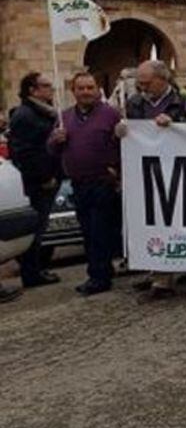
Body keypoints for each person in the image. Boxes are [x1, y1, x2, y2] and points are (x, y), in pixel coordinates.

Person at [122, 60, 186, 299]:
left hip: (182, 171)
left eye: (147, 83)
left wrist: (178, 126)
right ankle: (160, 276)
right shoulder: (134, 103)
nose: (142, 88)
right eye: (140, 83)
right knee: (156, 222)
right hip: (150, 173)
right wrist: (123, 132)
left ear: (162, 79)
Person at [47, 72, 123, 297]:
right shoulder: (65, 117)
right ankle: (101, 270)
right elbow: (51, 149)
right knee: (88, 230)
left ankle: (99, 276)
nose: (86, 92)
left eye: (90, 87)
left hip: (103, 181)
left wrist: (117, 170)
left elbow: (124, 144)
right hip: (79, 183)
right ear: (74, 91)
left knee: (99, 230)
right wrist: (56, 140)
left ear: (97, 89)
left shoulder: (111, 114)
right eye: (81, 88)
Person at [8, 72, 63, 289]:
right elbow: (26, 152)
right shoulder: (26, 115)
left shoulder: (42, 112)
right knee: (35, 228)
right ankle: (31, 273)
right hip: (38, 181)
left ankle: (36, 269)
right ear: (32, 90)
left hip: (47, 177)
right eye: (46, 86)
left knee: (41, 227)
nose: (51, 89)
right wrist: (44, 177)